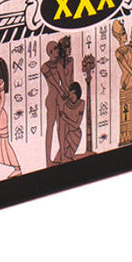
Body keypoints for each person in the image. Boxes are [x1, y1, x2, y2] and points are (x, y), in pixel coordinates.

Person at [42, 35, 74, 166]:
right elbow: (54, 83)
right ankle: (48, 160)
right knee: (50, 128)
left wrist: (69, 93)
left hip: (60, 99)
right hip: (52, 99)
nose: (58, 50)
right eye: (55, 48)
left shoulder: (59, 65)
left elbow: (63, 82)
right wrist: (62, 91)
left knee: (61, 128)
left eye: (57, 48)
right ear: (50, 52)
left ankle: (62, 157)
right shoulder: (45, 66)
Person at [59, 81, 85, 162]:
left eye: (71, 93)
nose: (69, 95)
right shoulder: (66, 105)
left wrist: (65, 118)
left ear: (75, 93)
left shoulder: (81, 103)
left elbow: (77, 125)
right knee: (65, 155)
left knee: (69, 156)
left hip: (76, 134)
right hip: (68, 134)